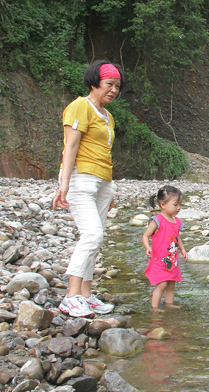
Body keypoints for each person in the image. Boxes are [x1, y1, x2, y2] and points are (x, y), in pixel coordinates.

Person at [53, 60, 124, 318]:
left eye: (117, 86)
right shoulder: (79, 106)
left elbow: (105, 152)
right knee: (91, 235)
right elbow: (70, 146)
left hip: (102, 181)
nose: (114, 90)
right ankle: (71, 297)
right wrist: (64, 183)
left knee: (97, 239)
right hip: (80, 178)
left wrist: (110, 188)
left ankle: (86, 295)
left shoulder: (108, 116)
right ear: (94, 82)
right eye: (109, 84)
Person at [142, 185, 188, 311]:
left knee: (171, 283)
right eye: (175, 204)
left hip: (172, 260)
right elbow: (146, 236)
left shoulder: (177, 222)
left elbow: (176, 238)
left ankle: (169, 304)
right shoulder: (157, 221)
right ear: (163, 205)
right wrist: (147, 247)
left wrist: (182, 249)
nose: (178, 207)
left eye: (180, 204)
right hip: (159, 259)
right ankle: (154, 307)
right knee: (162, 284)